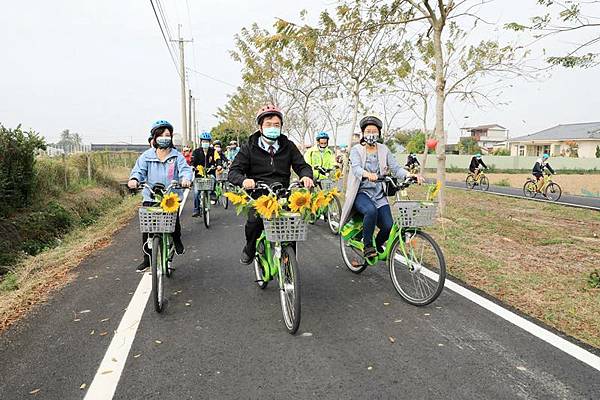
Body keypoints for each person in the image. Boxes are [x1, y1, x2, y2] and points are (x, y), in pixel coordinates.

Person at [229, 104, 314, 264]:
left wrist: (306, 176)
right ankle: (250, 247)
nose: (273, 128)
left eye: (277, 125)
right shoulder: (249, 147)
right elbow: (234, 172)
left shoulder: (288, 146)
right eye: (268, 124)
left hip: (284, 192)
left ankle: (289, 262)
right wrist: (244, 180)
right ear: (260, 127)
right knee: (254, 222)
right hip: (258, 193)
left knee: (292, 226)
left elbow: (302, 165)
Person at [340, 116, 422, 258]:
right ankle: (367, 246)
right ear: (363, 133)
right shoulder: (356, 150)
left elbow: (396, 169)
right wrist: (367, 174)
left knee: (388, 227)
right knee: (370, 211)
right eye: (368, 131)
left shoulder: (384, 149)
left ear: (378, 133)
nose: (371, 134)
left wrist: (410, 175)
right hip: (361, 193)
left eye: (374, 131)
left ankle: (376, 247)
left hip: (379, 194)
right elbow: (356, 168)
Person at [128, 120, 193, 272]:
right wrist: (134, 180)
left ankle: (176, 240)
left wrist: (185, 179)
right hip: (151, 196)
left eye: (168, 135)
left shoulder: (177, 156)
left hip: (171, 197)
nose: (165, 137)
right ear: (154, 137)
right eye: (161, 135)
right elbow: (138, 170)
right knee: (147, 228)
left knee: (173, 224)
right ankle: (147, 259)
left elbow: (185, 170)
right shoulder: (146, 156)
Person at [191, 131, 219, 216]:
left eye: (207, 141)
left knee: (213, 179)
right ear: (201, 142)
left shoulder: (213, 151)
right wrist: (192, 166)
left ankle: (213, 193)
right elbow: (193, 161)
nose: (205, 143)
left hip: (210, 172)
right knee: (196, 192)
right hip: (199, 175)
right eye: (203, 141)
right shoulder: (196, 151)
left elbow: (218, 159)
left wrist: (219, 165)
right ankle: (196, 209)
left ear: (209, 142)